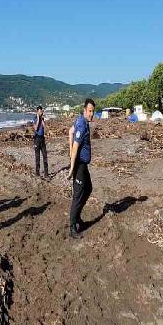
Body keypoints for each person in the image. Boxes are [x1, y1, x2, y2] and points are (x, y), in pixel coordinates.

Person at [68, 98, 95, 239]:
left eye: (93, 111)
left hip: (83, 166)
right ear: (84, 110)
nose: (92, 114)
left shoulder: (81, 121)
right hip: (79, 165)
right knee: (77, 196)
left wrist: (69, 151)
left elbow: (70, 132)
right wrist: (72, 167)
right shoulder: (82, 124)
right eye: (90, 111)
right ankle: (73, 226)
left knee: (89, 188)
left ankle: (77, 217)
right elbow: (75, 147)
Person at [32, 105, 49, 178]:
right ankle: (37, 173)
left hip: (42, 139)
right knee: (37, 157)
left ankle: (46, 174)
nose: (40, 113)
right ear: (37, 112)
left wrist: (41, 119)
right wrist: (38, 118)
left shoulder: (42, 119)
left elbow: (45, 128)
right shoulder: (35, 119)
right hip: (36, 139)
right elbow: (35, 128)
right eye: (39, 111)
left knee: (45, 156)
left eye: (41, 111)